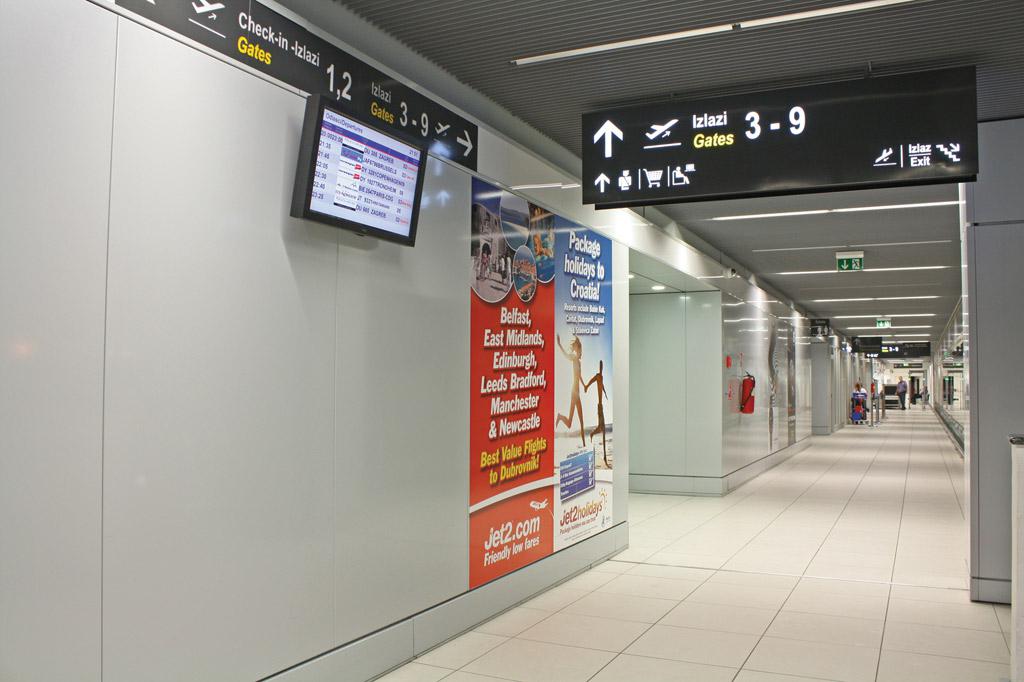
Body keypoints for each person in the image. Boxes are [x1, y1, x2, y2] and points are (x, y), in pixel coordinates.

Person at [556, 335, 587, 446]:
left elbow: (579, 376)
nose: (579, 350)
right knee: (572, 423)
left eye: (579, 348)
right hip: (574, 392)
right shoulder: (573, 358)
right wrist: (559, 344)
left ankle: (584, 444)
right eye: (578, 348)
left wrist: (584, 385)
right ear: (576, 348)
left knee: (579, 422)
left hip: (578, 392)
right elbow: (566, 356)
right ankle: (560, 416)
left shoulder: (579, 362)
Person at [584, 360, 609, 468]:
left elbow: (602, 387)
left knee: (601, 429)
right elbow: (592, 381)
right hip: (599, 406)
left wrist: (605, 393)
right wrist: (586, 386)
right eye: (600, 365)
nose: (601, 367)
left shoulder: (601, 378)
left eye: (602, 365)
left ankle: (592, 434)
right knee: (602, 429)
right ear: (599, 367)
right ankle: (605, 456)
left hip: (601, 406)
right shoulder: (598, 376)